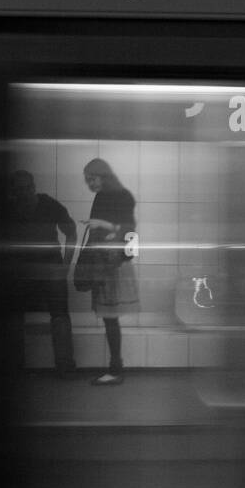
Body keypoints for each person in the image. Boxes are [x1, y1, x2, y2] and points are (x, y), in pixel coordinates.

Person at [8, 170, 78, 378]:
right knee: (17, 319)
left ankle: (64, 367)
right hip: (24, 271)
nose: (25, 193)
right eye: (21, 189)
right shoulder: (11, 208)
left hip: (48, 269)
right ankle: (19, 368)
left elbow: (72, 232)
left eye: (28, 188)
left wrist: (65, 265)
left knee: (59, 318)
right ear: (14, 191)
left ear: (34, 187)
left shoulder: (48, 204)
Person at [82, 158, 139, 386]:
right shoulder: (106, 196)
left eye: (91, 178)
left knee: (110, 318)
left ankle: (115, 369)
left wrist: (102, 226)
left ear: (103, 176)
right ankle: (115, 368)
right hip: (103, 263)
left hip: (111, 265)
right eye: (87, 180)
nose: (89, 184)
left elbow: (130, 232)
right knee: (109, 318)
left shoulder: (122, 196)